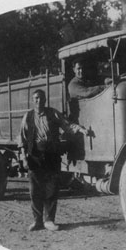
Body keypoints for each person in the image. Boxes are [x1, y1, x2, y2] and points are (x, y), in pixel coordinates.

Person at [18, 89, 88, 231]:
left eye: (41, 98)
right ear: (33, 100)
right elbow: (22, 139)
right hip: (34, 156)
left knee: (51, 188)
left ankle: (49, 220)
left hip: (52, 155)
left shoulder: (53, 113)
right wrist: (24, 158)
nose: (38, 101)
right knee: (35, 190)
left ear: (45, 100)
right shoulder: (28, 116)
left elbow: (67, 126)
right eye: (36, 98)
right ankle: (37, 221)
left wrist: (81, 129)